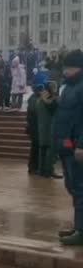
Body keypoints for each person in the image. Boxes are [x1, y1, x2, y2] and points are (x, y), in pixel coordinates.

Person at [53, 50, 83, 245]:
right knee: (73, 187)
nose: (65, 70)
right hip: (65, 146)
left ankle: (81, 231)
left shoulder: (80, 87)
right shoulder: (69, 87)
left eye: (69, 67)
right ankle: (78, 226)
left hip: (76, 147)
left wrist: (81, 145)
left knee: (80, 189)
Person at [36, 81, 61, 179]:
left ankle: (41, 171)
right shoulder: (52, 100)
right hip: (51, 127)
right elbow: (55, 110)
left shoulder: (39, 99)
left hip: (42, 127)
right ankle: (49, 171)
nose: (56, 89)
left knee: (42, 149)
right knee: (51, 151)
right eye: (55, 87)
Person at [26, 84, 41, 175]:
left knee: (35, 148)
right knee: (35, 148)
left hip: (35, 127)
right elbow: (34, 112)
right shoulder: (34, 100)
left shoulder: (33, 98)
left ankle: (34, 166)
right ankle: (33, 167)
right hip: (34, 128)